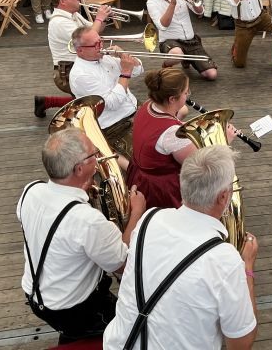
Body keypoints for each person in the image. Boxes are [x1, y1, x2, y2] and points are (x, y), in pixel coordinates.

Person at [104, 145, 257, 350]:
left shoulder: (149, 218)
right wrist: (247, 267)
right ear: (223, 197)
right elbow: (241, 343)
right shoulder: (225, 259)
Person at [17, 129, 146, 344]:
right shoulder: (87, 221)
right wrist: (136, 213)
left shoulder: (30, 191)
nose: (99, 157)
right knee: (132, 329)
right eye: (94, 154)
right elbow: (121, 264)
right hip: (76, 310)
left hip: (35, 295)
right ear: (79, 169)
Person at [126, 67, 235, 210]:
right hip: (160, 190)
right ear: (172, 99)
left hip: (139, 176)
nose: (188, 95)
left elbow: (162, 128)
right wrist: (224, 140)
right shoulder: (173, 135)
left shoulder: (149, 104)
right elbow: (201, 168)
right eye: (185, 92)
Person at [35, 0, 111, 118]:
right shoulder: (59, 22)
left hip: (80, 64)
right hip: (67, 71)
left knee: (96, 96)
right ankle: (46, 102)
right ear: (63, 1)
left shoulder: (74, 15)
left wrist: (104, 19)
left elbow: (95, 30)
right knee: (97, 98)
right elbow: (89, 38)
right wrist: (99, 18)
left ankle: (45, 102)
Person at [69, 26, 143, 162]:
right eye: (96, 44)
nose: (101, 46)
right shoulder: (80, 75)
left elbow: (138, 70)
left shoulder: (105, 58)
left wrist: (124, 55)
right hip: (116, 126)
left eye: (101, 41)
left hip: (135, 109)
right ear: (80, 50)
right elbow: (113, 103)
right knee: (145, 157)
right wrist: (125, 72)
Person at [146, 0, 218, 80]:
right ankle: (167, 64)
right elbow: (163, 26)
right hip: (170, 41)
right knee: (177, 54)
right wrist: (172, 3)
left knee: (212, 75)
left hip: (190, 40)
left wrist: (195, 3)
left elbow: (200, 12)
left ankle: (186, 58)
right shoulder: (151, 3)